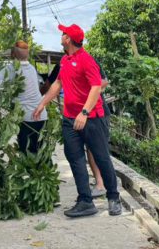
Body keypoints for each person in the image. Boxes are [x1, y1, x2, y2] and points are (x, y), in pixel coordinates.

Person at [33, 24, 122, 218]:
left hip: (92, 118)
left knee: (101, 157)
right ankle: (85, 201)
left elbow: (96, 86)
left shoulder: (86, 60)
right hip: (70, 118)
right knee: (74, 157)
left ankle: (114, 197)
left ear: (68, 39)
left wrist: (84, 112)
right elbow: (58, 83)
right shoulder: (65, 60)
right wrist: (42, 104)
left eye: (63, 33)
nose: (61, 35)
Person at [0, 40, 47, 154]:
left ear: (13, 54)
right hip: (41, 116)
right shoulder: (32, 68)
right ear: (27, 54)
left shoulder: (12, 68)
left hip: (26, 118)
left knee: (26, 154)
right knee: (38, 152)